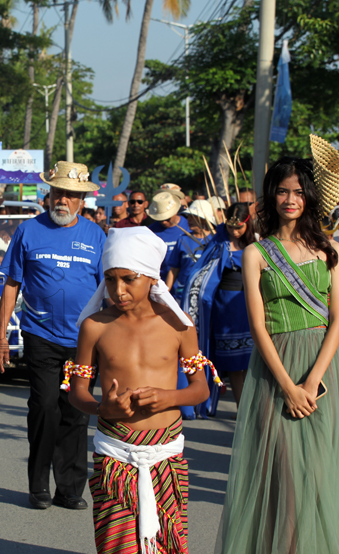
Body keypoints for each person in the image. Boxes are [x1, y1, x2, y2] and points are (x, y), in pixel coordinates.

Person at [217, 154, 339, 552]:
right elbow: (258, 326)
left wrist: (313, 379)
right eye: (283, 191)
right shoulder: (257, 253)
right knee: (285, 474)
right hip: (276, 370)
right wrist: (289, 386)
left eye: (299, 192)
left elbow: (338, 318)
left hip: (324, 368)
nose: (291, 199)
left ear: (311, 197)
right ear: (272, 195)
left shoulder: (330, 250)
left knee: (322, 471)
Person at [67, 226, 209, 554]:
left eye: (129, 279)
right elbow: (77, 392)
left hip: (165, 457)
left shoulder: (180, 325)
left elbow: (200, 388)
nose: (118, 289)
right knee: (117, 547)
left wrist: (169, 397)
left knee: (168, 544)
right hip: (115, 455)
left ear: (151, 278)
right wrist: (103, 408)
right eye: (111, 279)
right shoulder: (94, 326)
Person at [0, 161, 105, 510]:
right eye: (58, 193)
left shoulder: (96, 236)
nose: (63, 201)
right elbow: (12, 284)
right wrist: (1, 336)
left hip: (83, 341)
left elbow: (108, 289)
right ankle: (38, 485)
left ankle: (70, 489)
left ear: (82, 201)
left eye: (71, 196)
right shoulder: (28, 232)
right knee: (44, 408)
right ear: (48, 194)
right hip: (40, 335)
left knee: (75, 412)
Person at [182, 203, 256, 415]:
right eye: (231, 227)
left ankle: (252, 410)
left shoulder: (257, 244)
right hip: (225, 307)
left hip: (249, 305)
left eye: (239, 227)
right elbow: (202, 274)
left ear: (247, 224)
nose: (234, 231)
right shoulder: (218, 244)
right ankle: (243, 412)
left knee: (250, 364)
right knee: (234, 364)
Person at [166, 199, 216, 302]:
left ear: (204, 219)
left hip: (208, 294)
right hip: (183, 294)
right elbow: (174, 270)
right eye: (188, 217)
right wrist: (166, 293)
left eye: (193, 217)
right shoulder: (183, 239)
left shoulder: (215, 240)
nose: (189, 220)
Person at [147, 191, 191, 281]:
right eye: (160, 219)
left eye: (167, 218)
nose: (163, 222)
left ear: (175, 212)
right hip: (158, 283)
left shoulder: (189, 227)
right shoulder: (150, 232)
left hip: (183, 284)